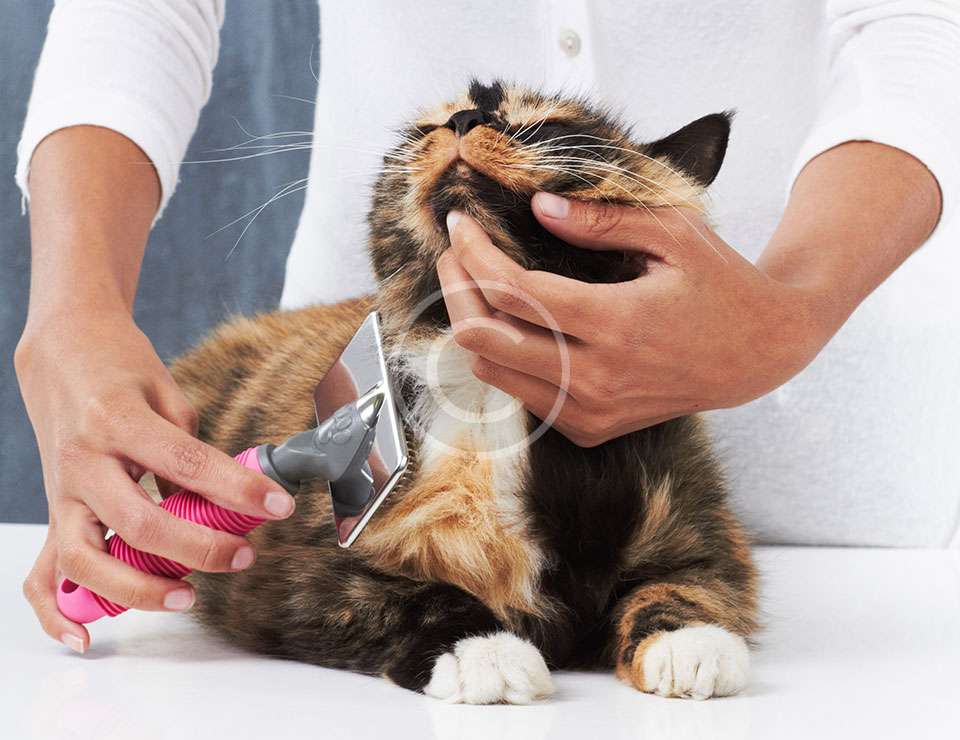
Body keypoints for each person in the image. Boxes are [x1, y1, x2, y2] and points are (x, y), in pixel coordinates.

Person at [14, 1, 959, 655]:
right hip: (379, 450)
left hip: (842, 506)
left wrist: (794, 305)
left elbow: (923, 21)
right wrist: (74, 306)